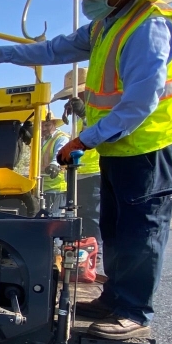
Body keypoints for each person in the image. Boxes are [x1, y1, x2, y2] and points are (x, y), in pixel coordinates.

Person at [0, 0, 172, 340]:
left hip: (149, 145)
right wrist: (0, 54)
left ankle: (135, 312)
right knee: (115, 225)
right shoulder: (107, 24)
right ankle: (115, 297)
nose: (89, 0)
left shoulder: (149, 28)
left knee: (143, 229)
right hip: (121, 146)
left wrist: (85, 139)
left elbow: (140, 103)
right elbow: (54, 50)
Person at [52, 67, 102, 255]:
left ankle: (93, 255)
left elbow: (99, 130)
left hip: (94, 172)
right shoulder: (80, 118)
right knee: (80, 217)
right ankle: (82, 253)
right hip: (79, 174)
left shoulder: (95, 111)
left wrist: (84, 114)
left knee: (91, 218)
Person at [39, 116, 69, 215]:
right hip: (40, 186)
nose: (43, 128)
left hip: (56, 187)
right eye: (41, 125)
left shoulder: (61, 138)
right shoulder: (40, 139)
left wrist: (54, 165)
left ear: (54, 124)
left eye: (47, 125)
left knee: (53, 219)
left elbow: (59, 154)